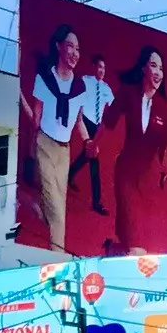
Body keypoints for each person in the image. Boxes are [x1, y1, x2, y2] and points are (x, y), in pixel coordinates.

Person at [109, 44, 167, 254]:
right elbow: (108, 123)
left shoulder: (164, 108)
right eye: (153, 66)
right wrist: (92, 144)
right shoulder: (128, 94)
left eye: (161, 68)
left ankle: (111, 250)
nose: (158, 72)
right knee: (136, 249)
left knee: (134, 244)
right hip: (126, 174)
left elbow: (166, 160)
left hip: (147, 183)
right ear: (143, 68)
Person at [24, 25, 88, 252]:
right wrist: (32, 152)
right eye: (70, 46)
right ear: (58, 47)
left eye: (78, 49)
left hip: (64, 150)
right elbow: (36, 118)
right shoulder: (44, 79)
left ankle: (35, 204)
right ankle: (58, 259)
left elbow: (79, 121)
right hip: (44, 144)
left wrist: (88, 141)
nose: (74, 53)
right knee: (58, 213)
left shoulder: (80, 87)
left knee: (57, 206)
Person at [66, 56, 115, 216]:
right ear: (94, 67)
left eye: (104, 68)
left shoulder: (106, 88)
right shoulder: (86, 81)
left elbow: (113, 105)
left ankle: (70, 173)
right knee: (94, 161)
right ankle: (96, 202)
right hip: (86, 120)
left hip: (96, 125)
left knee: (87, 156)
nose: (101, 70)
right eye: (99, 66)